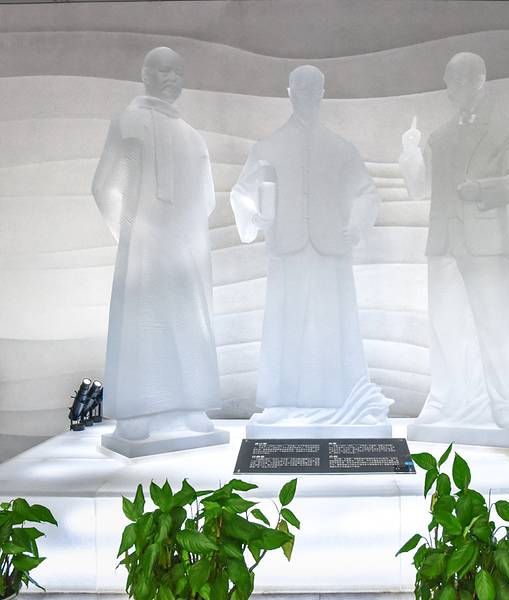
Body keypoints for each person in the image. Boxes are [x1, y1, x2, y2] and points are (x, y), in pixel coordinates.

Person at [230, 65, 391, 433]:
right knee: (285, 324)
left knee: (331, 326)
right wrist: (254, 216)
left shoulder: (341, 148)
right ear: (289, 92)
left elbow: (366, 192)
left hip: (331, 250)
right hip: (286, 250)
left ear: (323, 92)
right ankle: (283, 400)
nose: (306, 92)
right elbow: (241, 191)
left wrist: (357, 225)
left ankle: (335, 399)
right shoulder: (268, 146)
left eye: (313, 86)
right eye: (300, 86)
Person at [92, 47, 224, 446]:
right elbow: (104, 186)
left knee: (189, 321)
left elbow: (207, 198)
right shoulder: (126, 122)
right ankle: (137, 409)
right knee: (142, 324)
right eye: (163, 70)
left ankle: (191, 404)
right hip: (143, 244)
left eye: (177, 72)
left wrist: (187, 234)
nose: (171, 78)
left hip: (185, 246)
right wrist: (129, 237)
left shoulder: (193, 136)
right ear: (146, 73)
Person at [399, 52, 509, 433]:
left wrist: (482, 190)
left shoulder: (507, 131)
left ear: (481, 79)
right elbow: (420, 189)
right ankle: (444, 399)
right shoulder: (438, 137)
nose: (453, 88)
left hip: (486, 244)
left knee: (494, 324)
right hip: (443, 244)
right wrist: (410, 153)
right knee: (443, 326)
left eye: (460, 79)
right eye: (449, 81)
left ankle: (505, 403)